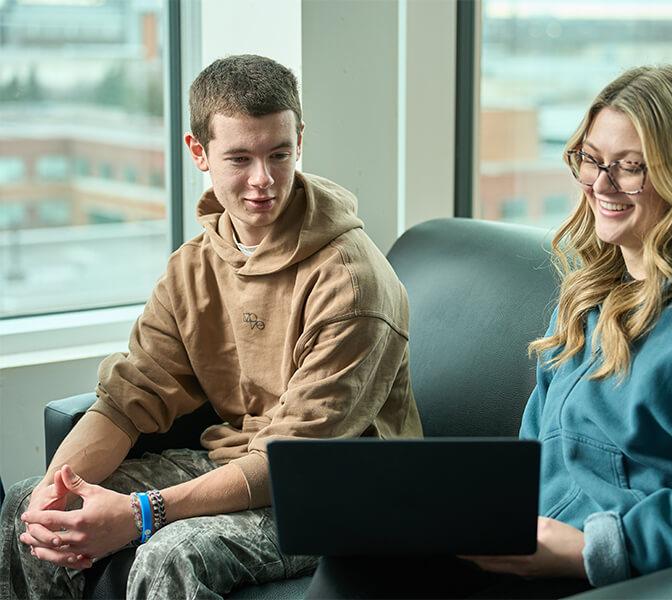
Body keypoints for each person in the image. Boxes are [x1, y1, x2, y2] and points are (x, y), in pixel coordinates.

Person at [306, 65, 672, 598]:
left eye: (630, 167)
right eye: (592, 159)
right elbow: (541, 450)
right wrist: (467, 514)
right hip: (528, 551)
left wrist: (595, 549)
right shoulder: (592, 288)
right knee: (357, 559)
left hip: (618, 573)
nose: (601, 184)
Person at [0, 54, 422, 600]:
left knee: (170, 554)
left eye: (279, 154)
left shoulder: (354, 283)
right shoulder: (195, 265)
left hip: (341, 495)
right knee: (26, 506)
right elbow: (128, 398)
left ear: (300, 140)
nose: (262, 180)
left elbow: (294, 461)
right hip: (235, 462)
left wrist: (140, 513)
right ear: (198, 152)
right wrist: (57, 494)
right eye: (239, 158)